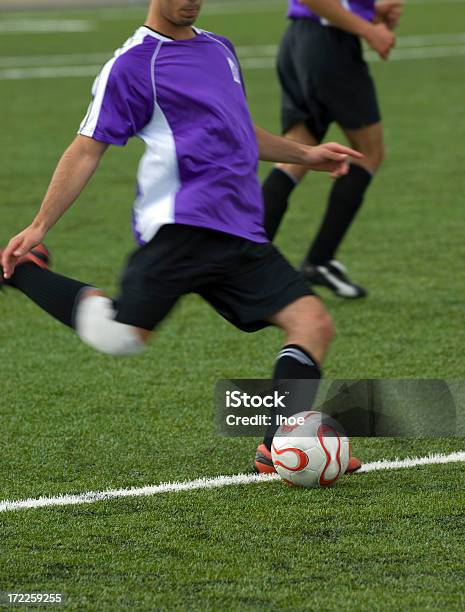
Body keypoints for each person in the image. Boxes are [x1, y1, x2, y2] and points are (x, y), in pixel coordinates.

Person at [1, 0, 362, 474]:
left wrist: (305, 154)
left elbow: (238, 130)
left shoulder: (219, 49)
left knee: (314, 323)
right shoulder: (133, 63)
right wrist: (39, 225)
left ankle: (277, 444)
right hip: (182, 227)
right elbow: (87, 148)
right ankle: (24, 273)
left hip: (238, 230)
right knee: (121, 337)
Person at [262, 0, 403, 298]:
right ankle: (319, 259)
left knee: (296, 154)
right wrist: (369, 29)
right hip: (329, 45)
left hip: (298, 41)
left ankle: (243, 258)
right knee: (368, 152)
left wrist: (370, 10)